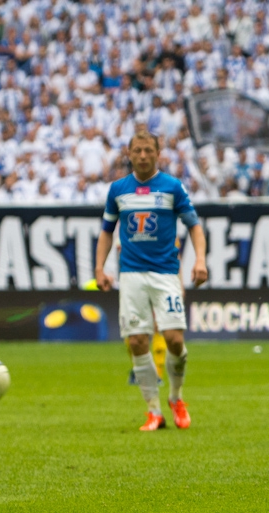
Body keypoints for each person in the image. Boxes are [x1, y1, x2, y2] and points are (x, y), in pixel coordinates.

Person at [95, 131, 208, 431]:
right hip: (131, 274)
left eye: (148, 150)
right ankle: (153, 411)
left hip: (165, 272)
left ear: (158, 153)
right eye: (137, 151)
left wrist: (199, 260)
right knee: (136, 342)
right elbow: (107, 231)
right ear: (128, 153)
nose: (143, 156)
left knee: (174, 339)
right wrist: (99, 268)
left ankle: (175, 397)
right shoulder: (118, 190)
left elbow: (194, 227)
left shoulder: (172, 187)